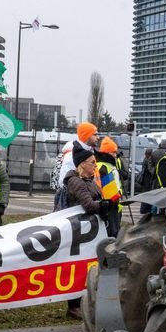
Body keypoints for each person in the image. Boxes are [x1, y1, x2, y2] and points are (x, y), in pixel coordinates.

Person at [61, 147, 108, 319]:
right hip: (78, 232)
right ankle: (73, 306)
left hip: (88, 232)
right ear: (82, 164)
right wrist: (103, 206)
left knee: (88, 265)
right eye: (92, 162)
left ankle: (84, 301)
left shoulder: (88, 180)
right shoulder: (76, 182)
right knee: (77, 267)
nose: (95, 165)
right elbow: (88, 205)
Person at [52, 121, 99, 192]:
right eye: (95, 134)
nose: (98, 137)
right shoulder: (72, 155)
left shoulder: (87, 152)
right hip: (77, 196)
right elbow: (65, 181)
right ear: (87, 136)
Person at [94, 136, 124, 237]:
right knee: (111, 233)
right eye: (113, 152)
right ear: (107, 153)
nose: (116, 155)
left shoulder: (105, 165)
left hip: (112, 205)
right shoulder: (104, 167)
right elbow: (109, 194)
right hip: (110, 207)